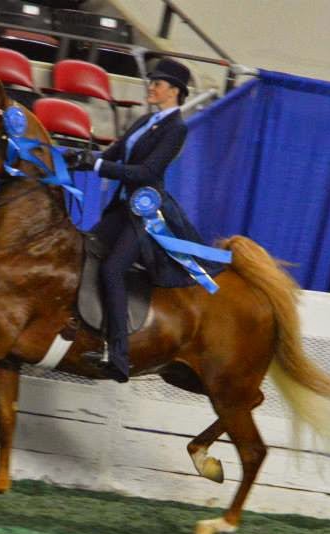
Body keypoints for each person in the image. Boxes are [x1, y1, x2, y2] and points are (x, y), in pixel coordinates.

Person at [66, 58, 223, 383]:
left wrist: (98, 168)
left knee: (112, 269)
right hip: (123, 208)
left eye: (158, 84)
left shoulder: (176, 129)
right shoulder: (143, 121)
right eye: (152, 83)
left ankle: (118, 355)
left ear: (174, 92)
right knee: (84, 252)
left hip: (147, 216)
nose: (151, 87)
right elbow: (111, 155)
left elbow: (148, 172)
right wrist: (79, 157)